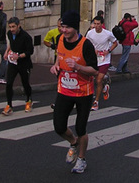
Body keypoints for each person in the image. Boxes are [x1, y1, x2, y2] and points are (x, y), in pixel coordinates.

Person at [50, 10, 98, 174]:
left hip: (83, 93)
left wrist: (78, 67)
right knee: (58, 126)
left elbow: (94, 71)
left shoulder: (86, 45)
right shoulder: (59, 39)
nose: (64, 30)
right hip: (64, 90)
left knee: (81, 127)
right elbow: (60, 56)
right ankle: (73, 142)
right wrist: (56, 65)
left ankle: (81, 159)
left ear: (75, 28)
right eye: (62, 26)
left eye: (67, 27)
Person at [2, 17, 34, 115]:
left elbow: (30, 51)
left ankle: (29, 100)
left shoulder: (26, 37)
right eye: (10, 27)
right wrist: (6, 52)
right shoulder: (9, 34)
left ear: (19, 25)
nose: (12, 29)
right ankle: (9, 105)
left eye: (13, 27)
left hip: (24, 63)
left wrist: (19, 56)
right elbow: (11, 44)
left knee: (25, 83)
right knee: (9, 83)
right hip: (13, 63)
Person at [85, 16, 118, 111]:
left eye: (98, 24)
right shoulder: (90, 33)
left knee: (98, 80)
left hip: (104, 60)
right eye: (95, 24)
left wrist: (108, 51)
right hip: (94, 59)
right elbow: (86, 43)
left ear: (102, 24)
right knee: (95, 78)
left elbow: (115, 43)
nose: (96, 26)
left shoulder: (107, 34)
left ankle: (96, 102)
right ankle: (104, 88)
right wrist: (92, 50)